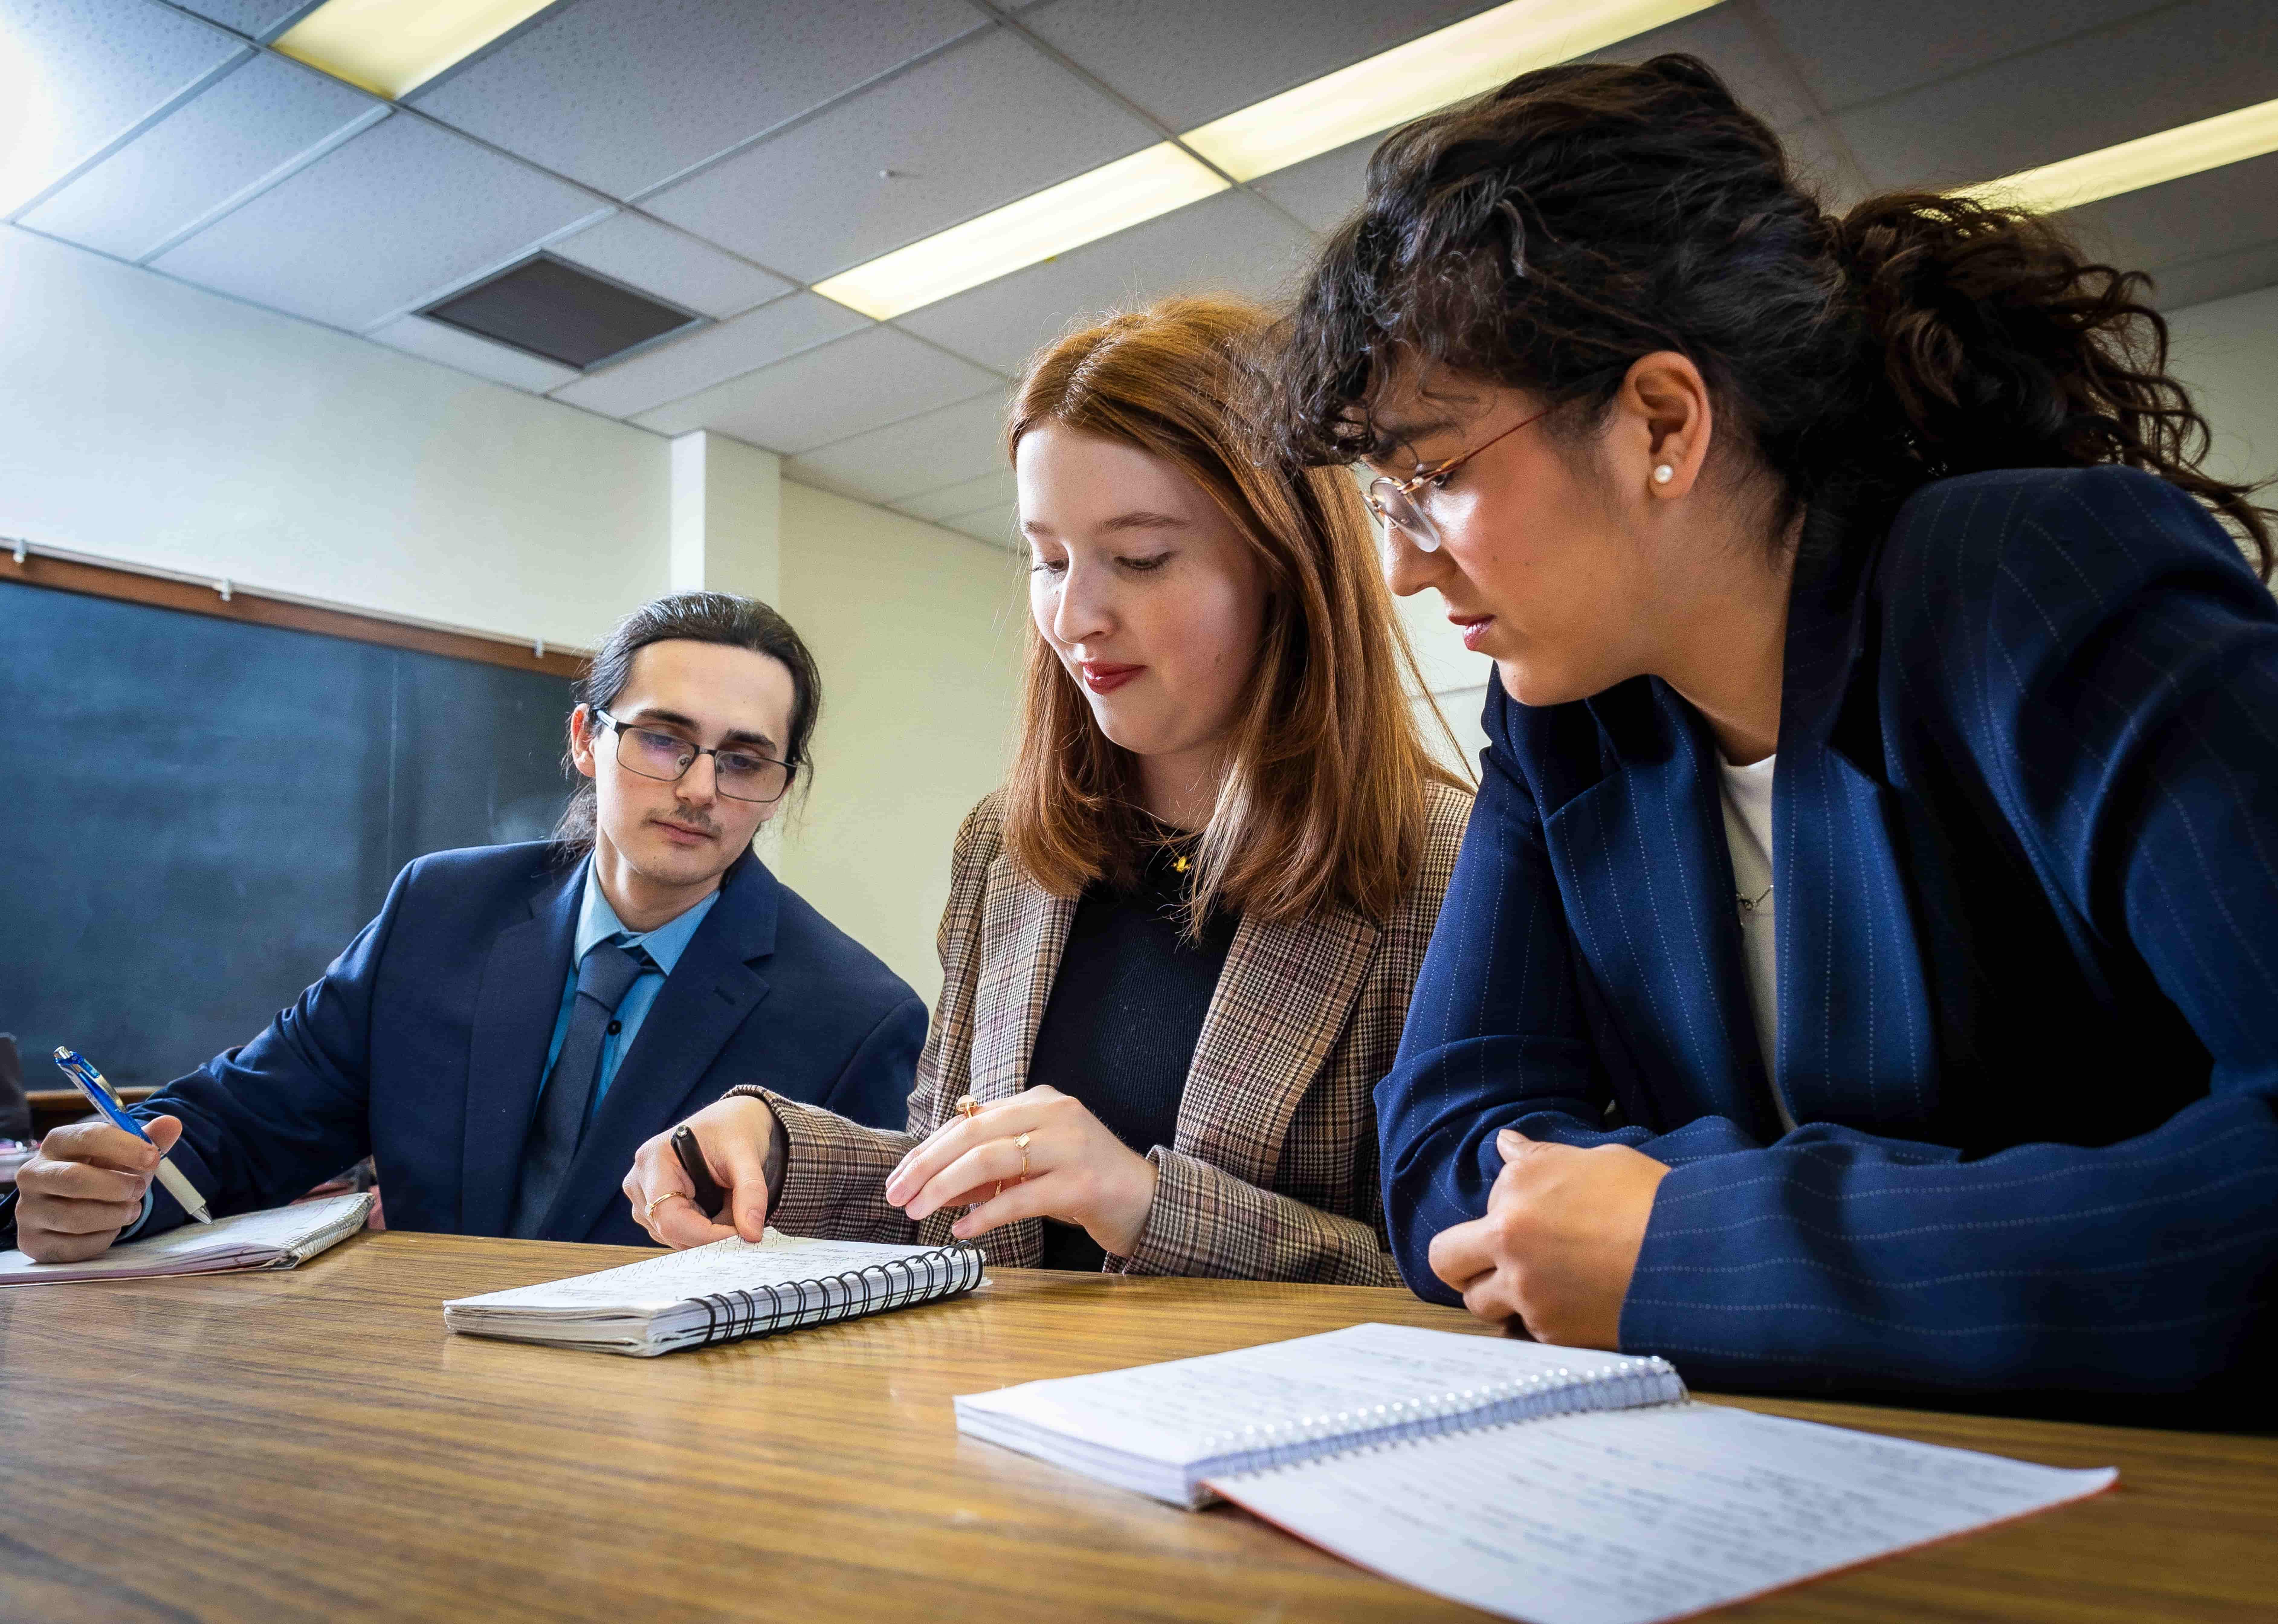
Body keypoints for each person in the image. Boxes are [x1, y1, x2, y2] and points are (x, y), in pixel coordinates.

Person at [1268, 55, 2278, 1410]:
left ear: (1662, 425)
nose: (1401, 568)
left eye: (1430, 481)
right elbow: (1442, 1151)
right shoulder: (1561, 727)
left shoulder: (2036, 581)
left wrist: (1691, 1245)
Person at [625, 298, 1472, 1282]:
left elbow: (1457, 1284)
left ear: (1288, 568)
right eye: (1050, 559)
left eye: (1141, 560)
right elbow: (951, 1192)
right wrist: (775, 1147)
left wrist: (1145, 1205)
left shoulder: (1448, 865)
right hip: (997, 1415)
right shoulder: (1005, 845)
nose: (1074, 617)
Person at [11, 593, 923, 1260]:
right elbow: (248, 1120)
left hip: (662, 1441)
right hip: (412, 1396)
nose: (698, 788)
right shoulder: (439, 914)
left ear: (779, 790)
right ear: (584, 739)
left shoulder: (853, 1015)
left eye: (743, 759)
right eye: (661, 739)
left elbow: (860, 1275)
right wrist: (114, 1193)